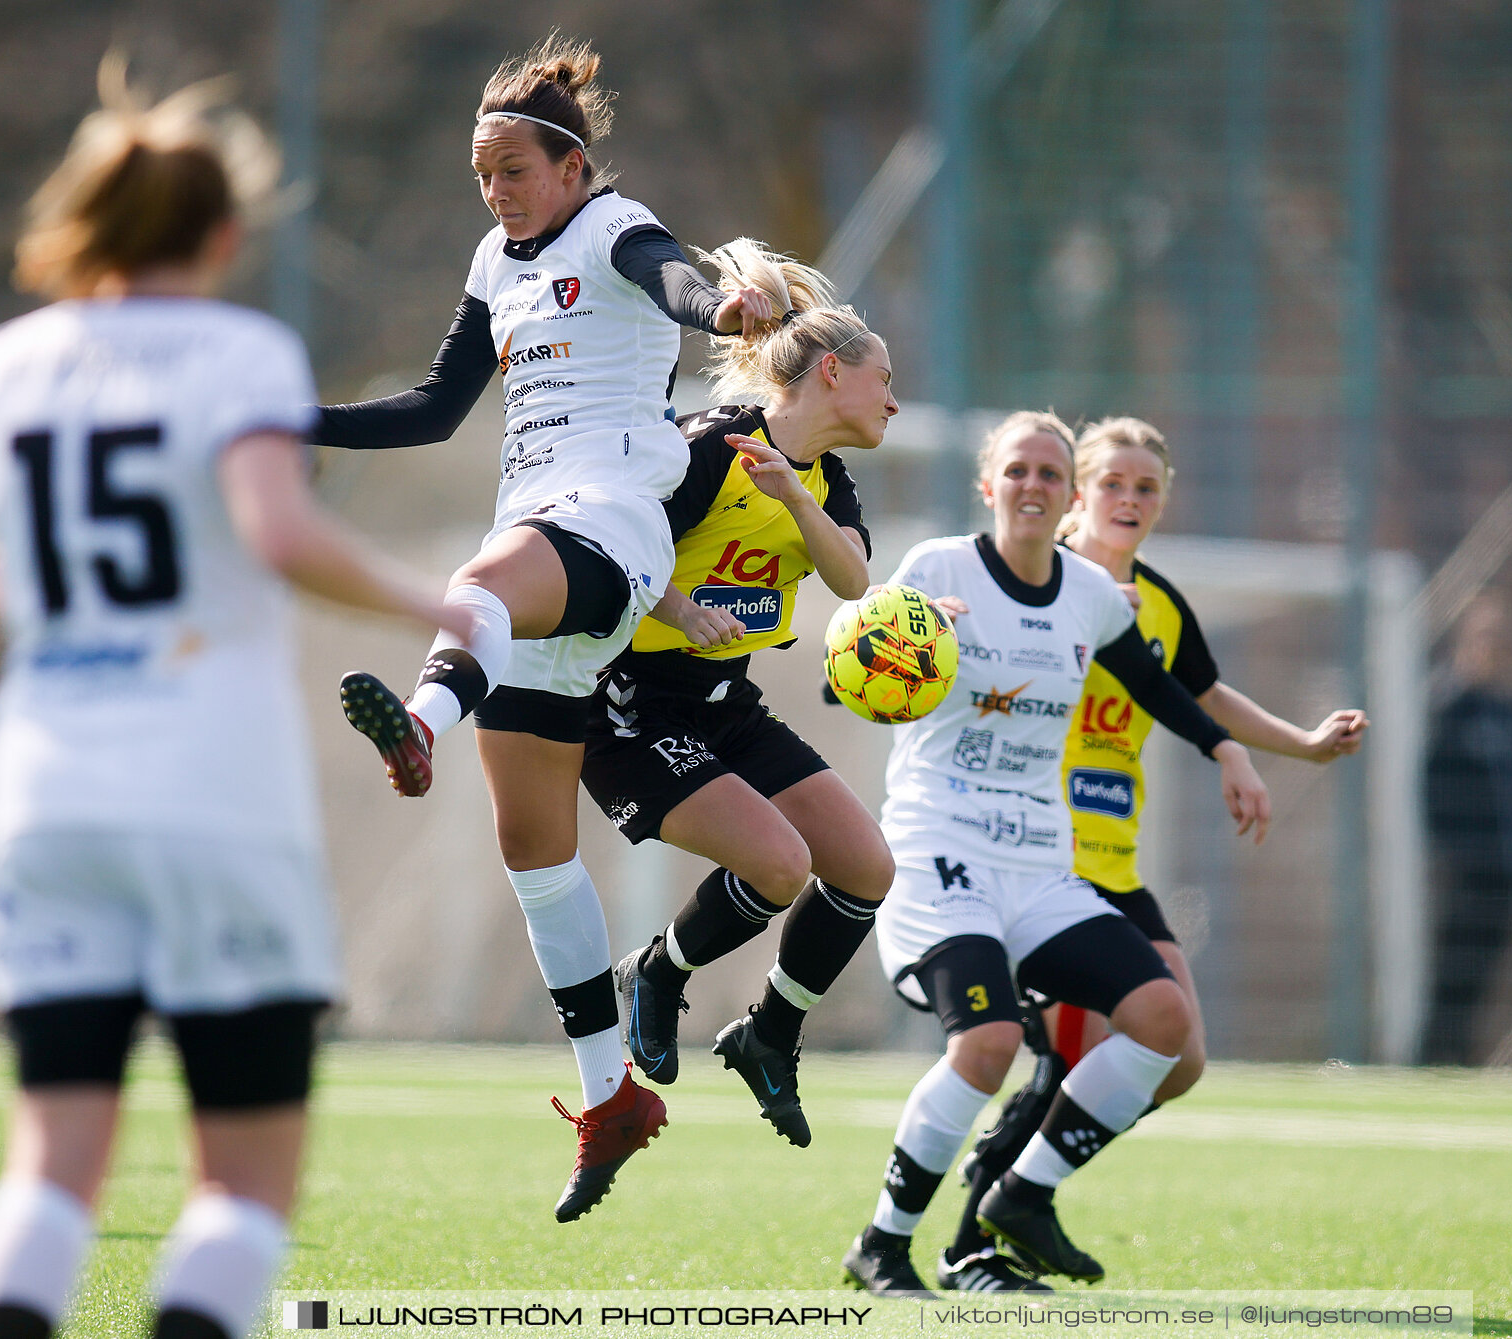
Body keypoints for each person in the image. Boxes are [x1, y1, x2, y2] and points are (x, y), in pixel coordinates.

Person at [0, 62, 467, 1339]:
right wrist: (430, 599)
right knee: (243, 1190)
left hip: (46, 799)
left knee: (48, 1166)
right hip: (210, 800)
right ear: (226, 232)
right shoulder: (238, 352)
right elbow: (277, 528)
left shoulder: (4, 365)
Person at [308, 36, 774, 1222]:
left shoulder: (614, 227)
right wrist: (286, 417)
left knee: (481, 575)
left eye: (511, 170)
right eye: (481, 175)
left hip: (610, 531)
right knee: (535, 850)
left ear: (570, 167)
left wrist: (725, 298)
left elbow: (677, 278)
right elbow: (431, 409)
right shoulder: (493, 258)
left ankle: (418, 721)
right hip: (547, 560)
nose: (496, 192)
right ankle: (609, 1093)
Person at [840, 412, 1273, 1296]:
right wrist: (910, 636)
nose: (1033, 485)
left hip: (1040, 863)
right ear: (988, 484)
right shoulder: (939, 571)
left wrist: (1225, 748)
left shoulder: (1086, 592)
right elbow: (843, 677)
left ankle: (1021, 1197)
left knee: (1161, 1019)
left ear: (1064, 493)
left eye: (1049, 473)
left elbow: (1152, 682)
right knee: (989, 1043)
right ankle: (884, 1244)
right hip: (941, 854)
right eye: (1018, 470)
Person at [941, 415, 1368, 1289]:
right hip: (1038, 854)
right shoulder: (1037, 583)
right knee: (1073, 1052)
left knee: (1177, 1057)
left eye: (1145, 488)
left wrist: (1296, 744)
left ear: (1163, 499)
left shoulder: (1161, 603)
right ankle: (972, 1239)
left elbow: (1199, 693)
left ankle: (1016, 1194)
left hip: (1115, 861)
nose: (1128, 500)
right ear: (1075, 493)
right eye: (1111, 484)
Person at [588, 241, 898, 1148]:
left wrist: (797, 503)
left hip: (727, 704)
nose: (895, 400)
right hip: (632, 703)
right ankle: (656, 972)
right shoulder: (707, 448)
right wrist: (680, 608)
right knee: (779, 864)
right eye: (884, 378)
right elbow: (605, 550)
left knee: (865, 867)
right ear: (832, 372)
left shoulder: (824, 480)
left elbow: (851, 582)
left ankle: (770, 1034)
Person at [1420, 594, 1512, 1065]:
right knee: (1451, 976)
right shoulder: (1450, 707)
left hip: (1508, 871)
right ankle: (1430, 1063)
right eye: (1483, 636)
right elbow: (1430, 787)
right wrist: (1453, 853)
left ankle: (1458, 1063)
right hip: (1464, 872)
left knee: (1482, 979)